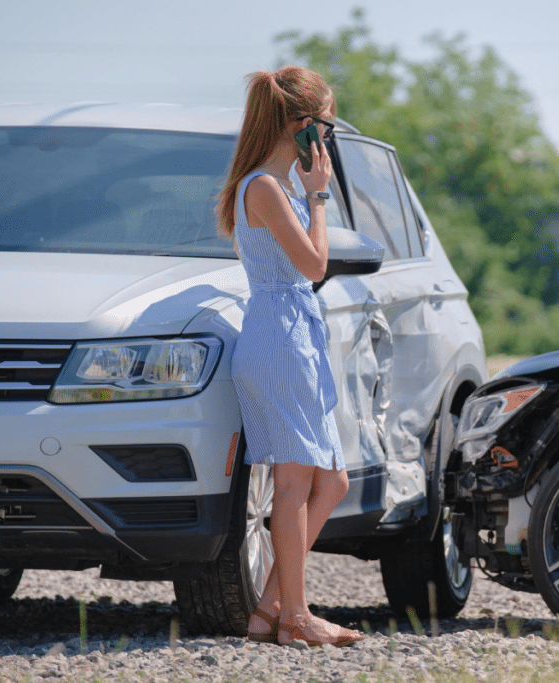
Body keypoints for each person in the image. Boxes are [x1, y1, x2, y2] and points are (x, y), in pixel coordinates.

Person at [217, 66, 364, 648]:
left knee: (332, 482)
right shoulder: (265, 188)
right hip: (279, 335)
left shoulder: (273, 186)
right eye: (326, 126)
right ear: (303, 126)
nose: (328, 140)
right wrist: (320, 195)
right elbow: (314, 266)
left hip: (295, 334)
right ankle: (295, 617)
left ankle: (272, 607)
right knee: (296, 482)